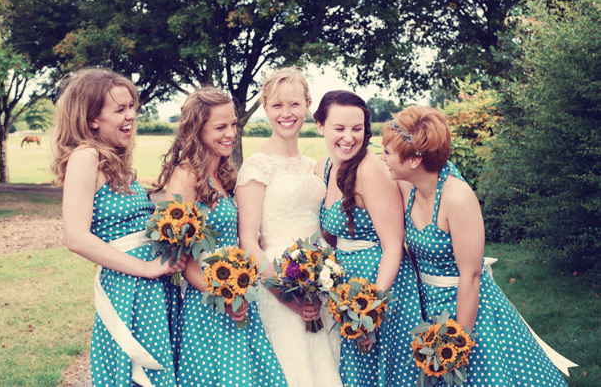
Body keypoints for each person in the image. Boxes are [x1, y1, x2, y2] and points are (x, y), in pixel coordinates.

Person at [381, 105, 575, 386]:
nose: (382, 157)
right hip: (426, 305)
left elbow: (470, 277)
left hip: (468, 307)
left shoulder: (457, 198)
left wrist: (458, 341)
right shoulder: (408, 186)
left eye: (387, 152)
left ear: (414, 159)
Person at [51, 68, 184, 387]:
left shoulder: (119, 165)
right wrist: (146, 268)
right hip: (128, 289)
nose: (131, 116)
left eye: (132, 107)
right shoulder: (86, 157)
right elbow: (76, 238)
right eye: (120, 109)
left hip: (152, 289)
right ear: (92, 118)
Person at [151, 87, 287, 387]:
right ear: (197, 130)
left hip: (236, 297)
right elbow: (178, 258)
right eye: (220, 127)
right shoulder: (185, 177)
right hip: (208, 306)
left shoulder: (223, 175)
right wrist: (223, 296)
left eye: (234, 124)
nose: (230, 133)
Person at [236, 68, 343, 387]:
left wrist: (326, 277)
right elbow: (248, 241)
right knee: (292, 369)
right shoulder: (256, 166)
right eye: (277, 105)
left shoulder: (315, 166)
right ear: (266, 108)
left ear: (308, 105)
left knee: (325, 364)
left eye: (294, 104)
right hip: (278, 282)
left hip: (319, 281)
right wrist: (288, 295)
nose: (286, 113)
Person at [315, 90, 422, 387]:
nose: (349, 137)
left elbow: (392, 246)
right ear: (321, 126)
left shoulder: (370, 170)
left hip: (379, 285)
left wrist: (369, 307)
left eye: (357, 129)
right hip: (345, 284)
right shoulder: (324, 166)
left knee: (380, 371)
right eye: (339, 128)